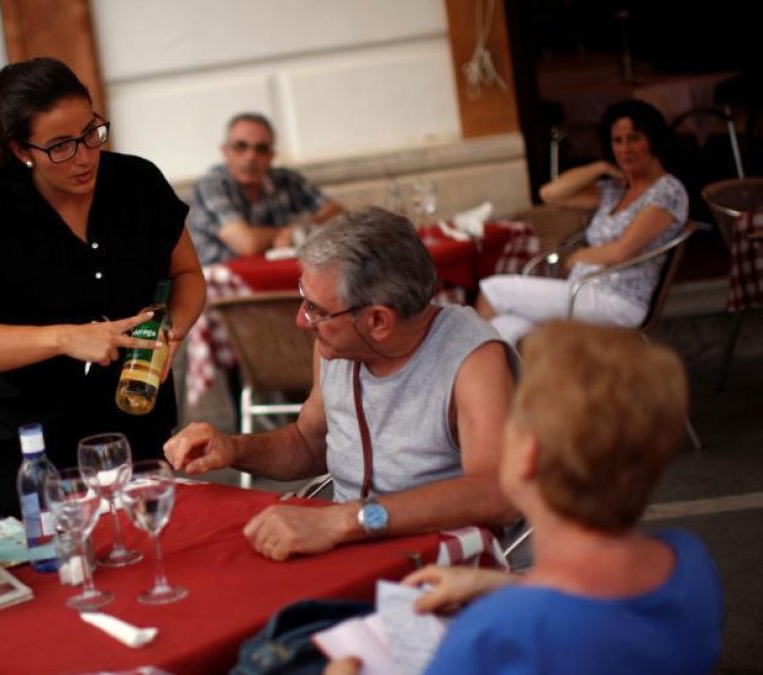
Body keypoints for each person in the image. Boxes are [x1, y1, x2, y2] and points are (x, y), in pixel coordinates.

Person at [325, 321, 723, 675]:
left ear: (528, 455)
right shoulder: (690, 563)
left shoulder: (497, 632)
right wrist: (502, 584)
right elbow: (601, 616)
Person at [165, 208, 520, 561]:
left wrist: (347, 520)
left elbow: (495, 496)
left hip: (440, 561)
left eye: (316, 309)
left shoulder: (472, 359)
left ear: (377, 320)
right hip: (347, 548)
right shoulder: (335, 345)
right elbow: (310, 443)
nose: (301, 320)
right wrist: (234, 449)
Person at [0, 57, 206, 518]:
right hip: (38, 451)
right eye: (60, 146)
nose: (84, 156)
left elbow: (187, 277)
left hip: (138, 426)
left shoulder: (138, 183)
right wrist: (66, 337)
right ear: (22, 150)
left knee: (154, 558)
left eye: (90, 133)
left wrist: (170, 335)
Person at [476, 99, 688, 345]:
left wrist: (579, 256)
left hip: (617, 301)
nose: (625, 149)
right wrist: (601, 167)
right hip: (583, 294)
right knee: (508, 326)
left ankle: (481, 379)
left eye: (634, 138)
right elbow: (550, 194)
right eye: (617, 141)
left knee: (493, 290)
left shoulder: (667, 191)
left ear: (654, 139)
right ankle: (524, 383)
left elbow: (622, 251)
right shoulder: (615, 190)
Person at [188, 112, 343, 264]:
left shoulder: (286, 180)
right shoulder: (212, 185)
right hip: (220, 283)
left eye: (261, 149)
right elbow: (247, 244)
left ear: (271, 155)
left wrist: (304, 227)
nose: (251, 157)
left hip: (271, 275)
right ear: (225, 151)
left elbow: (337, 213)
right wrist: (289, 233)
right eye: (240, 147)